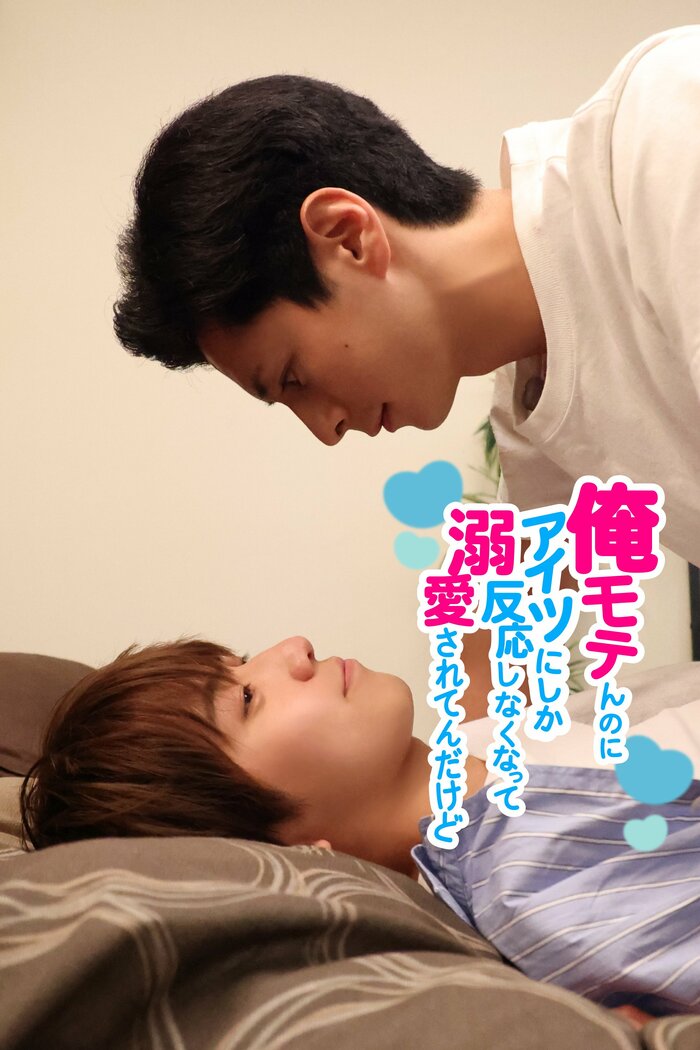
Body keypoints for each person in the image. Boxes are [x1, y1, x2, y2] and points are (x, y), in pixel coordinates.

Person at [112, 25, 700, 567]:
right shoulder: (532, 393)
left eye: (293, 378)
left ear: (348, 236)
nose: (326, 430)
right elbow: (509, 621)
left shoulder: (669, 126)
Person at [20, 636, 700, 1022]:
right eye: (248, 699)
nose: (294, 648)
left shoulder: (482, 751)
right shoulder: (534, 876)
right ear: (290, 853)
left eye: (244, 658)